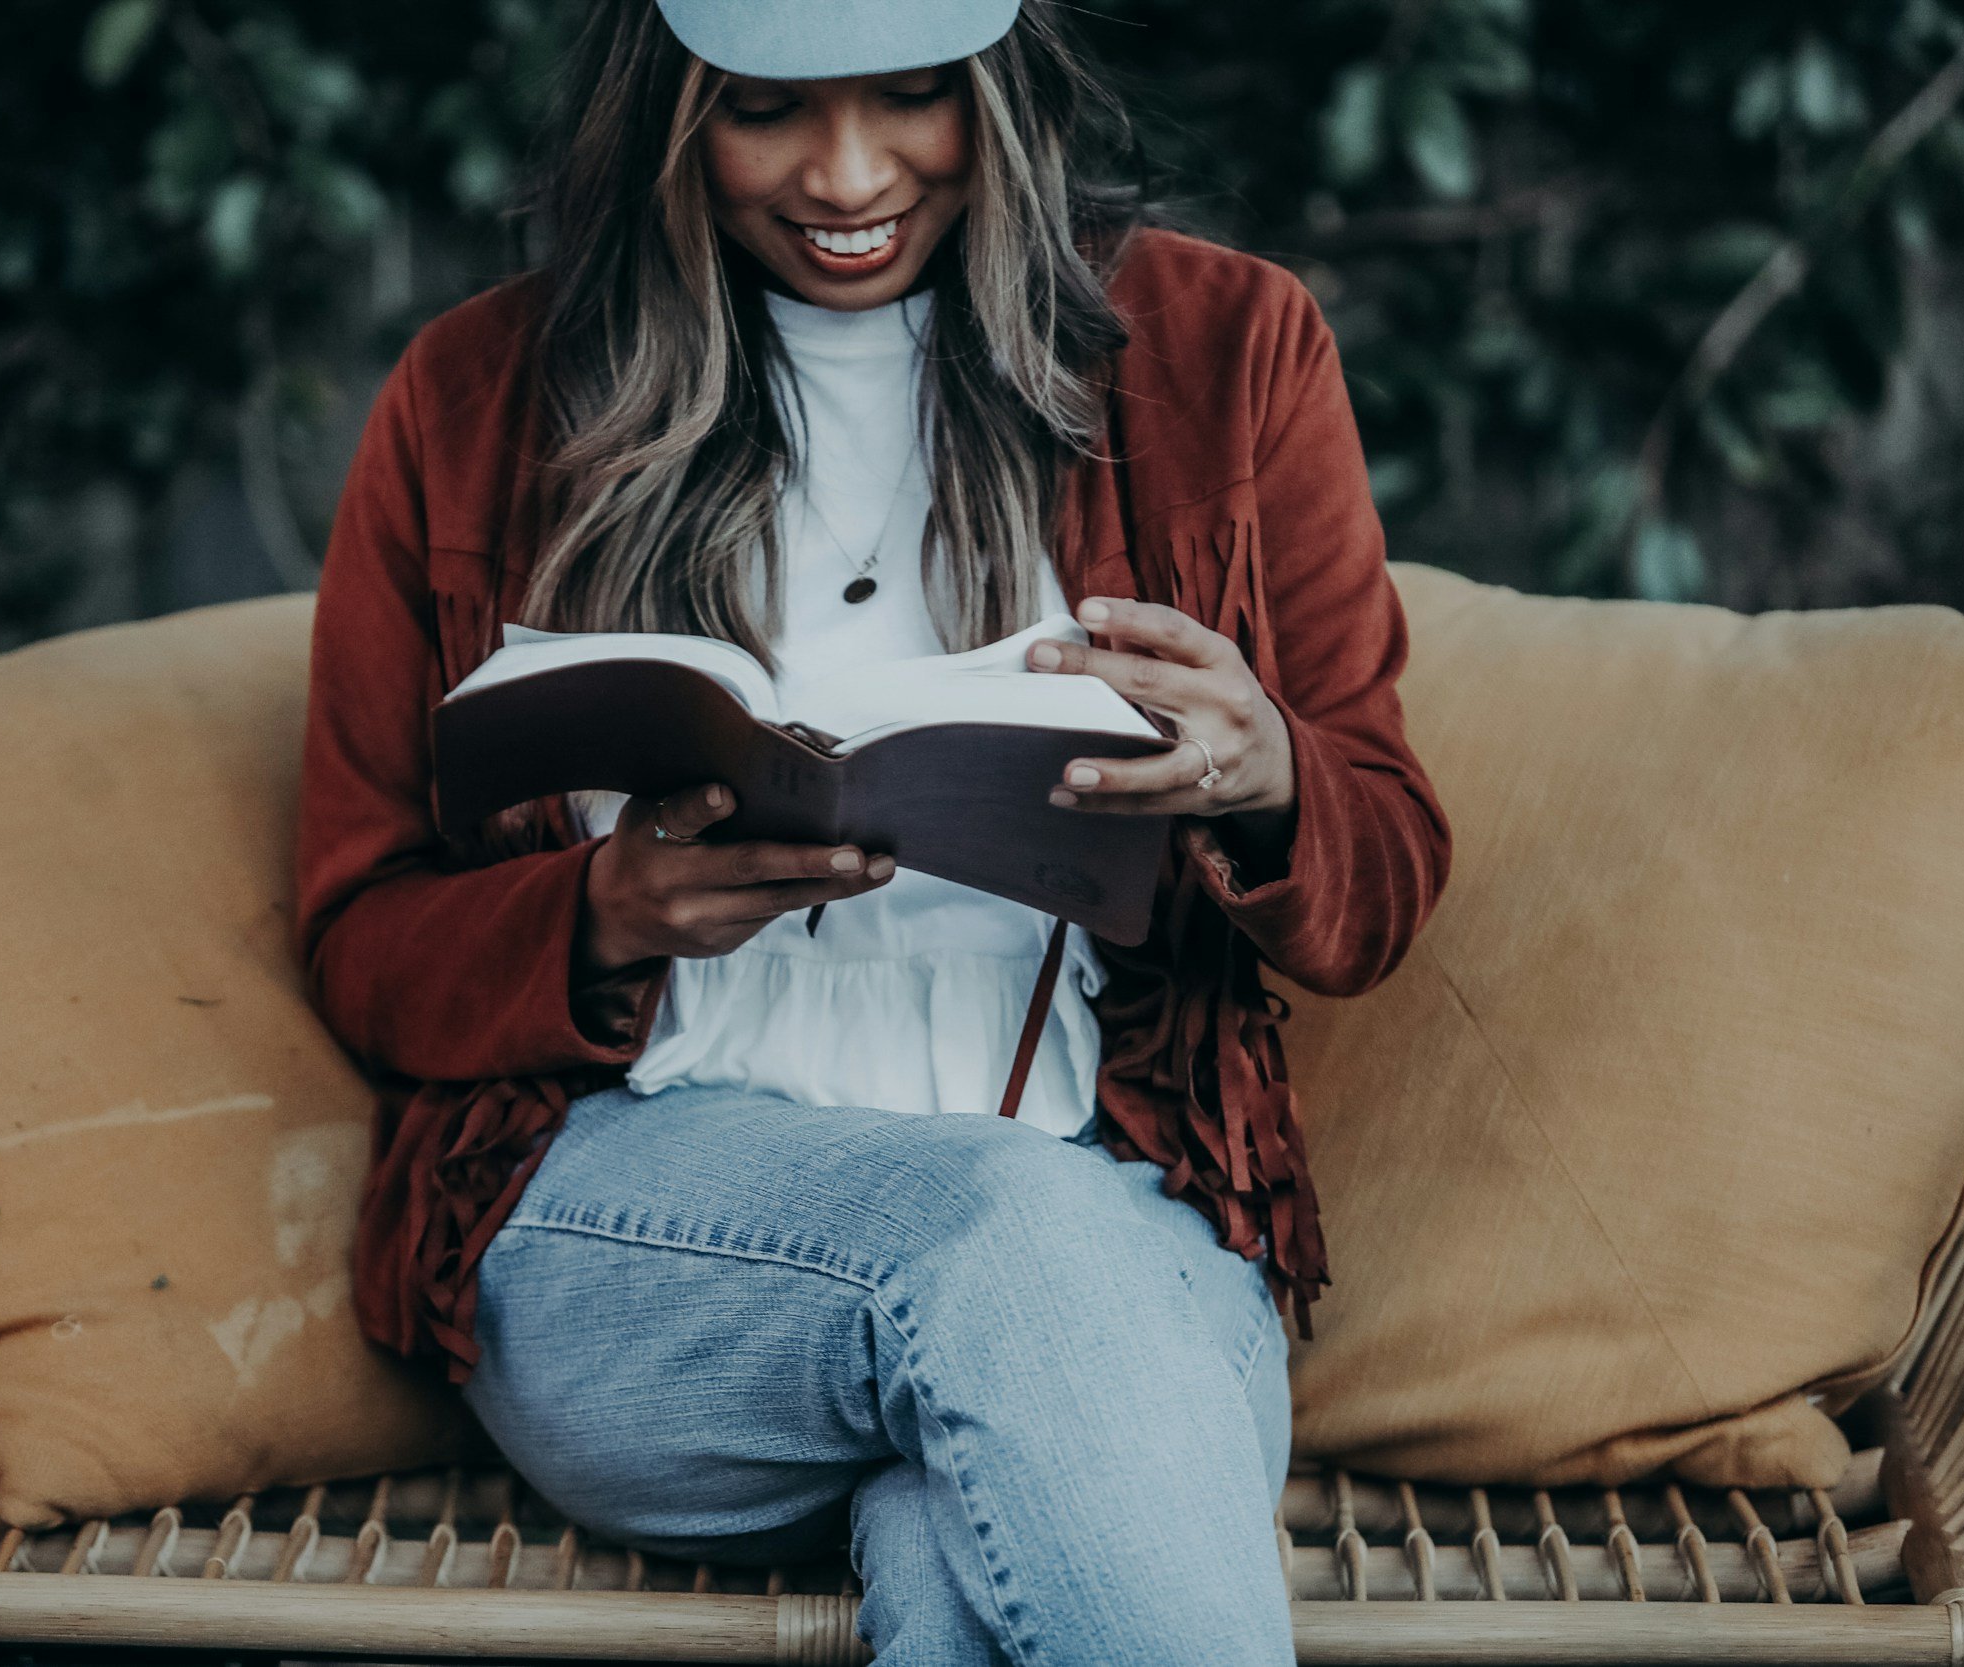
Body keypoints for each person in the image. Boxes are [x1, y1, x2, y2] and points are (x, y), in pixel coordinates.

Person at [295, 0, 1451, 1658]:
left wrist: (1267, 773)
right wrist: (606, 911)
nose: (849, 176)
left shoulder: (1227, 349)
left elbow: (1383, 877)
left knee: (969, 1510)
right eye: (767, 109)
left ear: (1002, 85)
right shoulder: (481, 395)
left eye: (913, 96)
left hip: (1113, 1216)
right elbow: (362, 941)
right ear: (668, 110)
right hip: (638, 1236)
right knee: (1007, 1244)